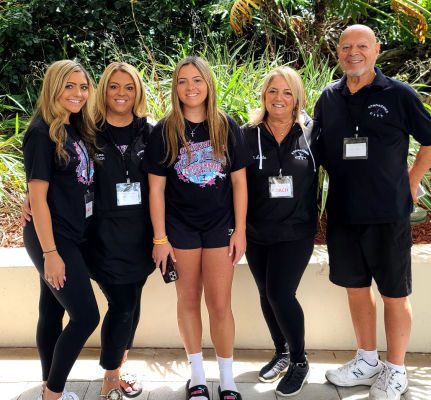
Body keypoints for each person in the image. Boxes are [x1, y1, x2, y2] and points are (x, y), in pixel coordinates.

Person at [314, 24, 431, 400]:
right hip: (344, 213)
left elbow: (429, 140)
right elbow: (316, 146)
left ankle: (396, 369)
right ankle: (367, 360)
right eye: (346, 46)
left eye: (362, 46)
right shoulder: (328, 97)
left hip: (387, 213)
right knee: (356, 288)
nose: (354, 53)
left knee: (394, 292)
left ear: (376, 49)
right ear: (338, 52)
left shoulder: (399, 94)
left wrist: (412, 181)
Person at [144, 56, 250, 400]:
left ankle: (227, 379)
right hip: (181, 229)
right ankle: (198, 377)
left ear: (208, 84)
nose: (190, 87)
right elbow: (156, 189)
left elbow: (239, 183)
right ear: (175, 87)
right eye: (182, 81)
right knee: (188, 300)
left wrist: (241, 230)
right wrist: (160, 238)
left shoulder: (226, 126)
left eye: (197, 80)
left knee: (220, 304)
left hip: (220, 228)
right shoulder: (165, 130)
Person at [22, 60, 100, 400]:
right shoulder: (41, 133)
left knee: (52, 310)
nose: (78, 93)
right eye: (69, 86)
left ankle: (48, 384)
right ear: (53, 88)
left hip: (74, 232)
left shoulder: (75, 125)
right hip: (52, 238)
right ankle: (53, 394)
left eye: (83, 87)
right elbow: (37, 198)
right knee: (86, 317)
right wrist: (50, 253)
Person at [242, 66, 318, 397]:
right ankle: (282, 352)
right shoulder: (247, 134)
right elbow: (235, 184)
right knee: (265, 293)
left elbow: (345, 169)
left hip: (296, 231)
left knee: (280, 294)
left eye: (287, 92)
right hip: (256, 232)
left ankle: (299, 361)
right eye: (273, 91)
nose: (279, 98)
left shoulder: (313, 132)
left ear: (297, 98)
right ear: (264, 95)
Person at [88, 62, 155, 399]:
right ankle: (111, 376)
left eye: (129, 87)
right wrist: (32, 193)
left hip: (142, 238)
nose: (121, 93)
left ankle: (120, 366)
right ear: (104, 91)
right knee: (123, 305)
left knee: (134, 304)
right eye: (114, 86)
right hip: (103, 239)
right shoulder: (88, 132)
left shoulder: (150, 131)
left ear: (138, 92)